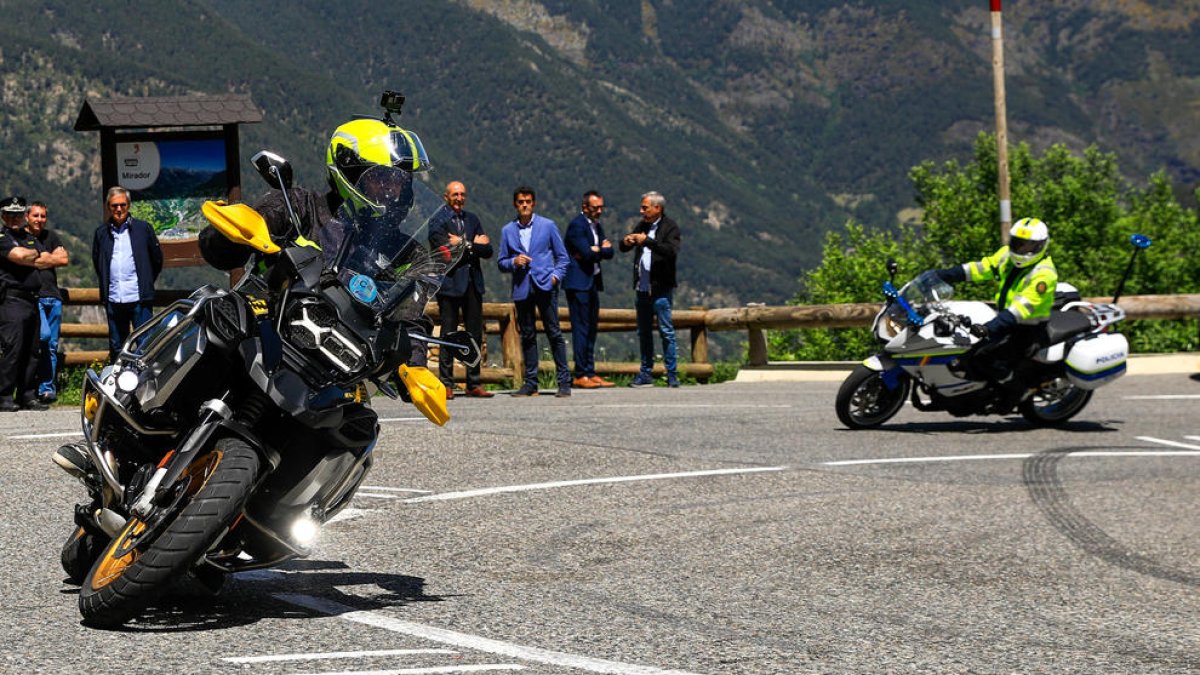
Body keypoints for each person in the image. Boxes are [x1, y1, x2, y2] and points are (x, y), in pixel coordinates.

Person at [928, 217, 1057, 387]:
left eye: (1028, 245)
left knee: (991, 362)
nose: (1021, 249)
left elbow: (1020, 308)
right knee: (965, 350)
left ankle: (1007, 393)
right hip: (1004, 320)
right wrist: (945, 275)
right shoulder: (1006, 256)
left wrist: (989, 327)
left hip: (1027, 329)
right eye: (1018, 243)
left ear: (1041, 246)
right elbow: (981, 268)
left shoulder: (1044, 274)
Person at [497, 186, 571, 397]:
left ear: (534, 203)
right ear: (515, 204)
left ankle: (564, 382)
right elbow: (501, 262)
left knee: (553, 333)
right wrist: (514, 261)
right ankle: (531, 382)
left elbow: (563, 257)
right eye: (521, 202)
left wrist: (555, 277)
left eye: (528, 201)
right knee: (528, 335)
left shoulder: (548, 226)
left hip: (545, 286)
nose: (525, 205)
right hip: (522, 288)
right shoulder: (507, 231)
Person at [428, 181, 493, 399]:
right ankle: (446, 383)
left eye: (462, 194)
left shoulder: (472, 219)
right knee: (449, 334)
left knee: (474, 334)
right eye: (455, 194)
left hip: (473, 284)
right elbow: (444, 251)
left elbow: (488, 250)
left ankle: (473, 382)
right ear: (446, 196)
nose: (459, 198)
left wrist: (464, 244)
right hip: (450, 285)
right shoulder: (438, 220)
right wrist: (472, 245)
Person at [91, 187, 162, 361]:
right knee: (117, 345)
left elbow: (157, 260)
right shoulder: (101, 233)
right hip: (114, 299)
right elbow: (97, 262)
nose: (119, 209)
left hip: (139, 298)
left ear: (128, 205)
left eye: (122, 205)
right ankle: (119, 383)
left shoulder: (143, 229)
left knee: (145, 344)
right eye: (114, 205)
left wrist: (145, 282)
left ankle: (144, 383)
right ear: (108, 207)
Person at [620, 191, 682, 388]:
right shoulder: (642, 225)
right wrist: (626, 242)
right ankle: (646, 372)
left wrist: (647, 241)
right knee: (644, 332)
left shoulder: (670, 227)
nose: (641, 211)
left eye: (645, 207)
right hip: (642, 287)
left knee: (666, 331)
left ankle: (671, 373)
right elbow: (624, 248)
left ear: (658, 208)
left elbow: (671, 251)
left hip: (661, 288)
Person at [563, 190, 615, 389]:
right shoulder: (577, 225)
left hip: (592, 282)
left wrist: (598, 250)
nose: (599, 211)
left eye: (601, 207)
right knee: (581, 328)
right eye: (596, 208)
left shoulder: (596, 226)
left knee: (591, 328)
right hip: (578, 284)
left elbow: (609, 252)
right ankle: (581, 373)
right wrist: (598, 250)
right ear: (585, 207)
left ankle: (590, 371)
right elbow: (585, 253)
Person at [0, 196, 48, 411]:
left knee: (32, 350)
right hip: (12, 299)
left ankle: (27, 395)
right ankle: (4, 396)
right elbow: (18, 255)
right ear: (3, 215)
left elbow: (51, 258)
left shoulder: (27, 237)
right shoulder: (2, 237)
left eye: (19, 214)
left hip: (32, 299)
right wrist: (33, 255)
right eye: (11, 214)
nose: (15, 218)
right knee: (12, 348)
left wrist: (32, 255)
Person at [25, 201, 69, 403]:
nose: (39, 220)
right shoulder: (22, 238)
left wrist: (41, 259)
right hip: (36, 297)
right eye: (36, 216)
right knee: (41, 338)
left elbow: (63, 260)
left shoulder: (51, 236)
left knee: (51, 345)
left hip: (54, 298)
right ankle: (28, 386)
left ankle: (47, 389)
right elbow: (51, 258)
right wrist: (50, 256)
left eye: (43, 216)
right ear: (27, 217)